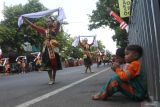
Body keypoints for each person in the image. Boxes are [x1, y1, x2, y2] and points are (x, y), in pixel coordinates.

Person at [23, 16, 62, 85]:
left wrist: (58, 17)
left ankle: (53, 78)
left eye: (49, 21)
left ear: (52, 22)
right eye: (46, 21)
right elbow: (34, 26)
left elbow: (58, 22)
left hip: (54, 48)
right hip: (46, 49)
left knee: (54, 64)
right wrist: (26, 20)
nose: (47, 23)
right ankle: (50, 79)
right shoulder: (44, 30)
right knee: (48, 64)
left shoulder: (55, 29)